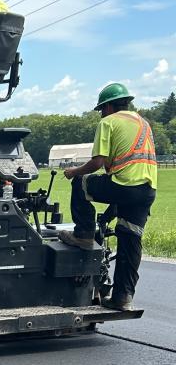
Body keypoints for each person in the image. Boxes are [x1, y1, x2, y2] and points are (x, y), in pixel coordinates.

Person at [59, 83, 157, 311]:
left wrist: (73, 171)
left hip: (123, 186)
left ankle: (83, 234)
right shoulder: (144, 123)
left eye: (102, 109)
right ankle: (123, 297)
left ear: (110, 106)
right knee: (129, 239)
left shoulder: (108, 122)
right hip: (145, 191)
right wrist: (109, 213)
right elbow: (130, 170)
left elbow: (97, 163)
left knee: (81, 183)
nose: (102, 113)